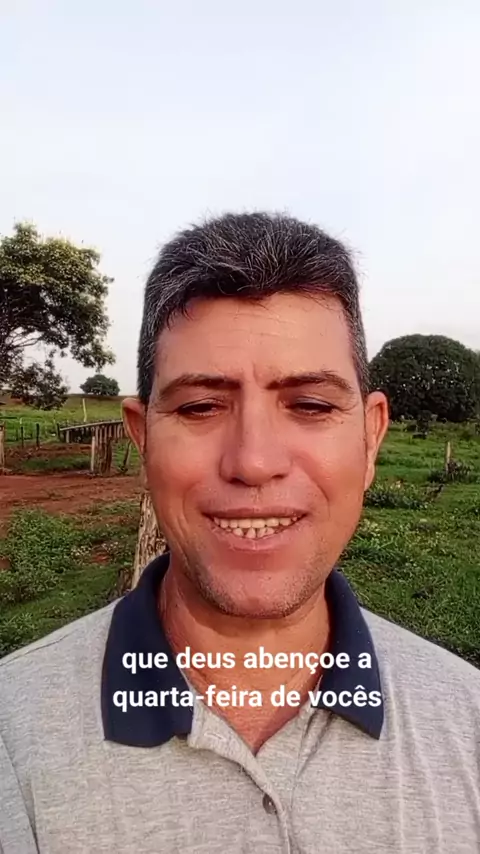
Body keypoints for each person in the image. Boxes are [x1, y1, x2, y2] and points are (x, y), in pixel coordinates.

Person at [0, 212, 479, 854]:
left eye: (310, 405)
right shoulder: (14, 741)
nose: (253, 462)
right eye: (201, 406)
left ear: (370, 438)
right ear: (143, 439)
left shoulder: (468, 725)